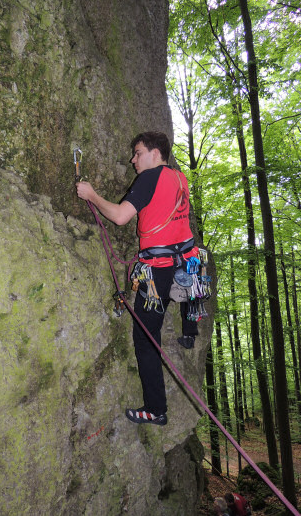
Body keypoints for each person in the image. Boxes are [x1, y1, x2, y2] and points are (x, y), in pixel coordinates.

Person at [76, 131, 199, 426]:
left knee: (145, 338)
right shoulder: (179, 178)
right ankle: (189, 331)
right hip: (186, 259)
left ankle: (156, 409)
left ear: (155, 154)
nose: (133, 160)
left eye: (138, 152)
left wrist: (91, 194)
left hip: (159, 269)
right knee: (186, 288)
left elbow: (120, 216)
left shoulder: (150, 177)